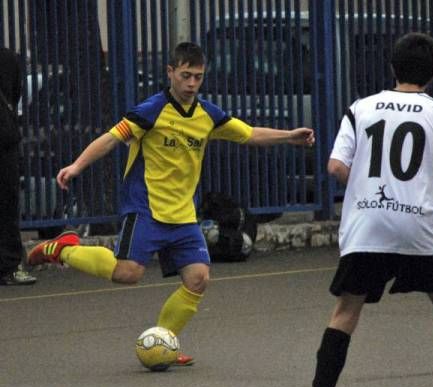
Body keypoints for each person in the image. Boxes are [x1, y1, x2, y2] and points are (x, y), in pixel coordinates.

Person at [27, 42, 314, 365]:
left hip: (183, 215)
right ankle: (63, 248)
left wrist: (289, 136)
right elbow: (110, 138)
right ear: (171, 72)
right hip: (146, 208)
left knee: (198, 278)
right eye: (186, 75)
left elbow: (247, 133)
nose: (192, 84)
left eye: (198, 77)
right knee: (128, 273)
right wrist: (77, 166)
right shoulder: (151, 110)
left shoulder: (207, 115)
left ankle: (163, 341)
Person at [312, 33, 433, 387]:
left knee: (345, 313)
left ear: (392, 67)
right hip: (417, 225)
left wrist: (365, 191)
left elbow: (336, 166)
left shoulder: (361, 108)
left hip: (368, 225)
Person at [0, 47, 37, 286]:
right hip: (5, 138)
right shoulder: (7, 58)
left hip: (5, 139)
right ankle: (9, 266)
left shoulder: (7, 58)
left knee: (7, 204)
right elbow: (15, 95)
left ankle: (10, 265)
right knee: (7, 205)